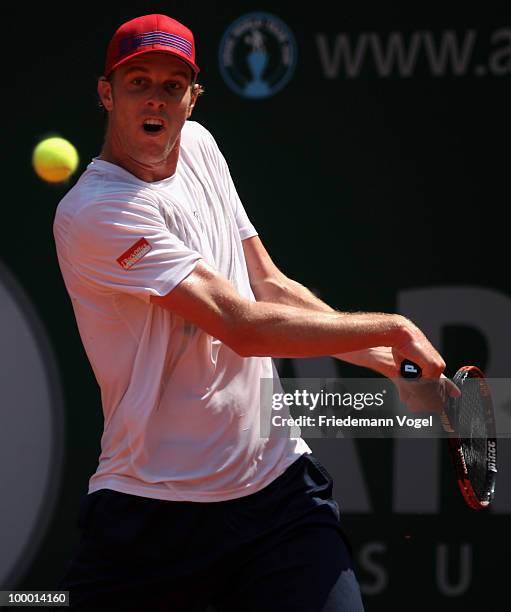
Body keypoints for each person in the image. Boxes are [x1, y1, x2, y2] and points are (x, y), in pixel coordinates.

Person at [53, 13, 457, 612]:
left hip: (277, 496)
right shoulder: (95, 213)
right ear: (106, 93)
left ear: (193, 97)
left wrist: (394, 367)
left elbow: (267, 285)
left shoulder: (200, 147)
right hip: (152, 514)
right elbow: (240, 325)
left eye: (172, 84)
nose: (155, 98)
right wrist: (394, 330)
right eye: (138, 82)